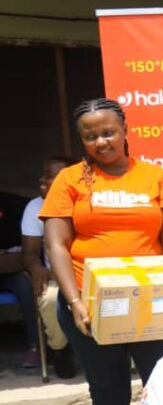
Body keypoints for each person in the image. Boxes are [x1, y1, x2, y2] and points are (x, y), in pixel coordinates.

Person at [40, 98, 163, 405]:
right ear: (82, 140)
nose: (101, 142)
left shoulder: (155, 176)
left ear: (125, 130)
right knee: (109, 392)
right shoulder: (69, 180)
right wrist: (75, 301)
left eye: (108, 132)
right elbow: (56, 245)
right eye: (90, 136)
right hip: (92, 306)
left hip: (153, 303)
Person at [21, 156, 76, 378]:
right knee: (51, 298)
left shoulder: (87, 202)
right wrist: (36, 268)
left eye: (49, 176)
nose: (42, 180)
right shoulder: (35, 207)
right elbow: (29, 253)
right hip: (55, 276)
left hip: (89, 274)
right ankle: (59, 350)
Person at [0, 190, 36, 368]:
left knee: (24, 285)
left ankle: (36, 346)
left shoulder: (13, 205)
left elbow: (23, 254)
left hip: (9, 270)